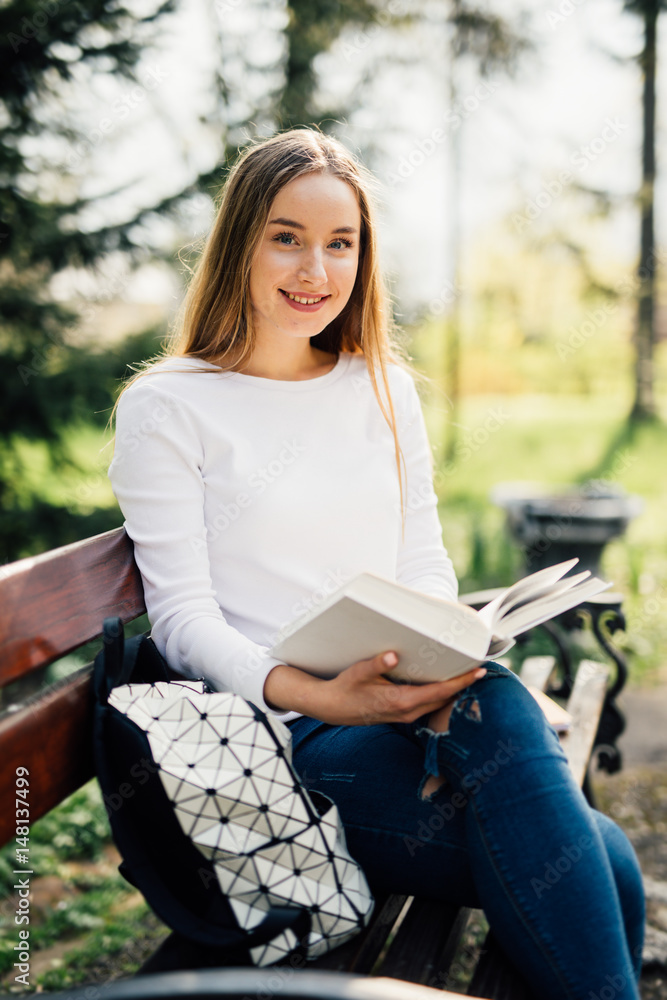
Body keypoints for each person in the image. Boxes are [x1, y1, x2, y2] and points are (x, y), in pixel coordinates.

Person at [109, 128, 645, 999]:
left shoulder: (382, 387)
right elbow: (182, 620)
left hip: (400, 704)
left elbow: (421, 559)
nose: (314, 268)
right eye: (286, 237)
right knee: (606, 858)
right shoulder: (169, 406)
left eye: (340, 242)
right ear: (239, 242)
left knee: (503, 714)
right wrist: (320, 695)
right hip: (285, 743)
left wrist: (433, 646)